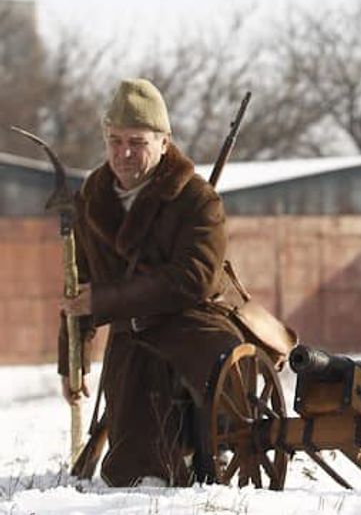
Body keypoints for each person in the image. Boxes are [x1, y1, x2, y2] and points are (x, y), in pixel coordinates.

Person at [59, 78, 245, 486]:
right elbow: (81, 286)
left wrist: (105, 300)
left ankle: (212, 448)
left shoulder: (198, 200)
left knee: (204, 431)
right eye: (115, 140)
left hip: (195, 328)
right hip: (131, 340)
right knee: (131, 474)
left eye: (137, 142)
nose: (124, 153)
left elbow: (193, 278)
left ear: (164, 142)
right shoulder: (91, 198)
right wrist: (71, 363)